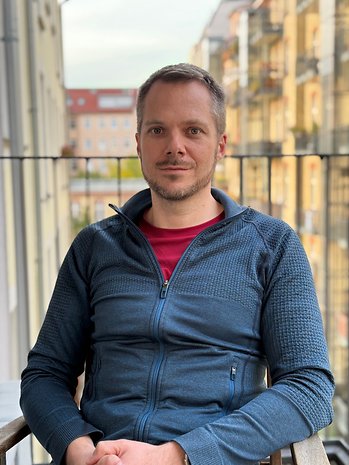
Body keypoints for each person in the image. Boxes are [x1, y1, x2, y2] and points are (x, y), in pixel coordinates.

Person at [20, 63, 334, 465]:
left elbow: (309, 388)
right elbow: (45, 373)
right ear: (138, 143)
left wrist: (176, 455)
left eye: (193, 130)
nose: (175, 146)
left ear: (221, 144)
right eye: (157, 130)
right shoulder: (95, 246)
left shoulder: (272, 246)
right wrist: (77, 448)